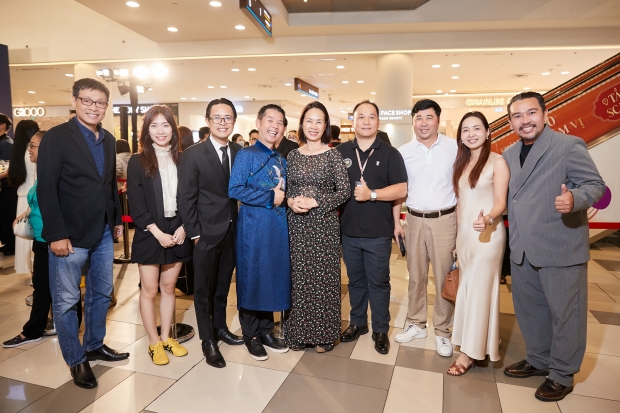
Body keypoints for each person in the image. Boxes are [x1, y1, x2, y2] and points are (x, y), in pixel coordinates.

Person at [502, 92, 605, 402]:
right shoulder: (509, 153)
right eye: (517, 116)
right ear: (510, 122)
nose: (525, 120)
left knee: (566, 313)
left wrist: (574, 199)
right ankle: (538, 358)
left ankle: (562, 373)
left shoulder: (568, 145)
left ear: (545, 115)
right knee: (530, 310)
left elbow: (595, 185)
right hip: (522, 247)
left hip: (560, 243)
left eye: (531, 113)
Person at [37, 78, 129, 389]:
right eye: (87, 100)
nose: (93, 107)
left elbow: (108, 185)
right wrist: (56, 234)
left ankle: (94, 344)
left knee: (101, 293)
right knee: (66, 301)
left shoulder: (108, 139)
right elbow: (47, 189)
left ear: (106, 107)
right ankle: (76, 360)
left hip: (102, 230)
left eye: (100, 102)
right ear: (75, 101)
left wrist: (115, 220)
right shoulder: (56, 138)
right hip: (69, 235)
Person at [337, 100, 407, 355]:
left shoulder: (390, 153)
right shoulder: (340, 152)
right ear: (353, 121)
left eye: (371, 117)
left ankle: (380, 329)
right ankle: (357, 323)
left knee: (379, 282)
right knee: (355, 281)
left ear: (378, 121)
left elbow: (401, 189)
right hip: (348, 231)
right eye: (361, 117)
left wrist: (372, 194)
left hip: (378, 232)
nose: (366, 121)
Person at [178, 98, 244, 368]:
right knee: (203, 290)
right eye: (217, 117)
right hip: (205, 233)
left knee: (223, 286)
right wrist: (195, 234)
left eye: (228, 118)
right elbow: (186, 198)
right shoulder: (193, 154)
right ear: (207, 121)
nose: (222, 122)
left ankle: (221, 328)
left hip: (232, 230)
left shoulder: (239, 151)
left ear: (234, 122)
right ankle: (208, 340)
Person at [128, 105, 191, 366]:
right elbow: (136, 204)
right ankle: (153, 343)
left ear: (173, 129)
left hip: (178, 228)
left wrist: (185, 227)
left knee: (168, 288)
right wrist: (157, 232)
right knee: (149, 289)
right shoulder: (137, 160)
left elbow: (191, 197)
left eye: (165, 125)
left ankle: (166, 338)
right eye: (154, 125)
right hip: (150, 230)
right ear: (147, 130)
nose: (160, 130)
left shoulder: (184, 159)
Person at [394, 99, 458, 358]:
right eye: (418, 118)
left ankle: (443, 331)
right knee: (415, 275)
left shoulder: (454, 147)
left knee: (444, 277)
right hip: (414, 219)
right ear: (413, 121)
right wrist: (396, 222)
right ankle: (416, 323)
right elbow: (400, 190)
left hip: (445, 219)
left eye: (428, 117)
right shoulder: (403, 151)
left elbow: (461, 186)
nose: (423, 123)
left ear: (438, 120)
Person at [447, 112, 509, 376]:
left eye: (476, 128)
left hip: (488, 236)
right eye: (465, 130)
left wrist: (488, 219)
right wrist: (456, 238)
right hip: (465, 237)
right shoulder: (461, 163)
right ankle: (482, 338)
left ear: (487, 132)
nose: (471, 134)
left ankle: (469, 354)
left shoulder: (498, 162)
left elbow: (501, 202)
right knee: (469, 290)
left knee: (481, 290)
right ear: (460, 136)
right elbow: (460, 204)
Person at [284, 101, 350, 352]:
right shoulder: (293, 155)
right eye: (309, 121)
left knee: (323, 281)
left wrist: (316, 201)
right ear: (302, 124)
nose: (313, 126)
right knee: (299, 280)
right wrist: (290, 201)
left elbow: (344, 192)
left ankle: (323, 335)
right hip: (297, 225)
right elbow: (287, 189)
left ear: (325, 126)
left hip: (324, 226)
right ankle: (299, 333)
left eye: (319, 121)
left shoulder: (333, 155)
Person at [229, 104, 291, 361]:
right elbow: (235, 189)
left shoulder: (282, 159)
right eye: (270, 120)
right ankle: (250, 334)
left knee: (271, 275)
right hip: (253, 228)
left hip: (277, 228)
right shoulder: (246, 154)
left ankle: (266, 330)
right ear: (259, 122)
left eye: (280, 122)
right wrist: (269, 197)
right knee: (253, 275)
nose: (275, 126)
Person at [3, 131, 53, 348]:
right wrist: (26, 213)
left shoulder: (54, 172)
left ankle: (34, 330)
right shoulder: (42, 171)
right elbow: (38, 201)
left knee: (56, 286)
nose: (29, 150)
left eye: (33, 145)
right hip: (41, 238)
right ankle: (36, 328)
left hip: (52, 239)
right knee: (43, 285)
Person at [8, 120, 39, 274]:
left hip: (21, 197)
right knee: (34, 233)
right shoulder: (32, 153)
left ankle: (30, 270)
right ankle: (35, 271)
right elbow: (36, 180)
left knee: (24, 233)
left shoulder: (18, 152)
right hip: (32, 198)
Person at [0, 113, 17, 257]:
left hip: (6, 186)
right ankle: (7, 242)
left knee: (7, 215)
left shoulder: (6, 143)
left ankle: (11, 245)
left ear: (3, 125)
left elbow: (8, 167)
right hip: (3, 185)